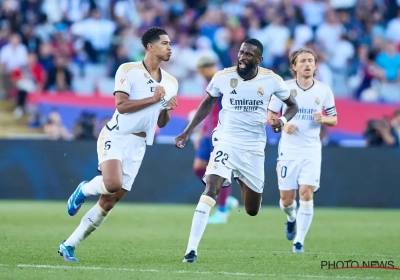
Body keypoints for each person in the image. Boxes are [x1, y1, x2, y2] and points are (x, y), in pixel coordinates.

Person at [58, 27, 179, 262]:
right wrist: (153, 99)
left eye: (170, 43)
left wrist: (166, 108)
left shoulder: (172, 82)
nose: (170, 47)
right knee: (112, 183)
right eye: (165, 43)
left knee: (109, 201)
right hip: (117, 134)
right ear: (150, 47)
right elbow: (121, 106)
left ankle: (69, 245)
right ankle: (83, 189)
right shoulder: (128, 70)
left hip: (140, 144)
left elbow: (161, 122)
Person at [175, 38, 299, 263]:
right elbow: (207, 103)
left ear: (259, 59)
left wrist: (281, 120)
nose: (242, 57)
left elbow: (293, 105)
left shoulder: (272, 80)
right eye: (241, 52)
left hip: (253, 149)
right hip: (226, 141)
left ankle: (239, 179)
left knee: (252, 209)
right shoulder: (223, 77)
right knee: (211, 187)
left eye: (249, 54)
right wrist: (187, 131)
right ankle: (191, 250)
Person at [267, 48, 338, 253]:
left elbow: (334, 119)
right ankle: (291, 218)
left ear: (315, 66)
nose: (307, 64)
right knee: (287, 200)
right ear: (294, 66)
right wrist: (282, 125)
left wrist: (323, 119)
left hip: (311, 151)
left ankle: (299, 241)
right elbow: (271, 115)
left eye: (311, 61)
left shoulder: (324, 90)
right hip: (288, 151)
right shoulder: (284, 89)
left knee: (306, 193)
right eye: (303, 61)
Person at [193, 56, 238, 225]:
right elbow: (207, 111)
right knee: (199, 169)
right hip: (207, 133)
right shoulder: (207, 83)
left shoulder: (222, 82)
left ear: (209, 67)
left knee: (220, 172)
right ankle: (225, 199)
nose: (200, 73)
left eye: (201, 70)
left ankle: (222, 211)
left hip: (221, 134)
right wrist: (201, 133)